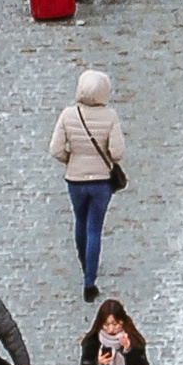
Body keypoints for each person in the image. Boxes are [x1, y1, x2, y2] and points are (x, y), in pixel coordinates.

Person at [49, 63, 127, 296]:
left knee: (80, 222)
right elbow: (117, 152)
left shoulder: (68, 115)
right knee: (95, 229)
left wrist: (71, 160)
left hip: (75, 180)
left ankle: (85, 263)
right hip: (101, 182)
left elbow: (55, 149)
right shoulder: (110, 116)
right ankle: (89, 281)